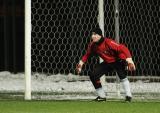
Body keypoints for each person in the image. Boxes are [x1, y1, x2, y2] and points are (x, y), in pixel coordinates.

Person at [76, 27, 136, 102]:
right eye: (92, 34)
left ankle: (128, 96)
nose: (93, 36)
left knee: (122, 75)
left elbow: (123, 48)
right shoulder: (92, 45)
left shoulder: (108, 42)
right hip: (108, 62)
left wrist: (129, 60)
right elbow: (87, 54)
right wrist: (81, 64)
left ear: (100, 35)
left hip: (118, 60)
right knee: (93, 75)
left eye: (95, 34)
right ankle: (101, 96)